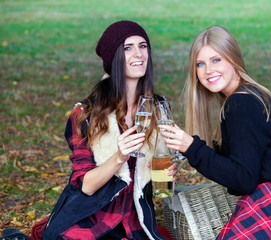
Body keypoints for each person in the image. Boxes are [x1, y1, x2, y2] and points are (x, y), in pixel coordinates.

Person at [1, 20, 176, 240]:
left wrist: (169, 170)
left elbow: (160, 169)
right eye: (127, 48)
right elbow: (86, 186)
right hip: (90, 214)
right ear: (113, 59)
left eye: (143, 46)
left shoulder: (158, 109)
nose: (138, 54)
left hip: (135, 219)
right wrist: (119, 157)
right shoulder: (86, 115)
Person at [159, 26, 271, 239]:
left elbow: (244, 179)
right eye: (200, 64)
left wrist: (192, 148)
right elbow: (240, 156)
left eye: (216, 60)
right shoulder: (247, 96)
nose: (208, 70)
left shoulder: (240, 103)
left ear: (233, 58)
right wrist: (187, 153)